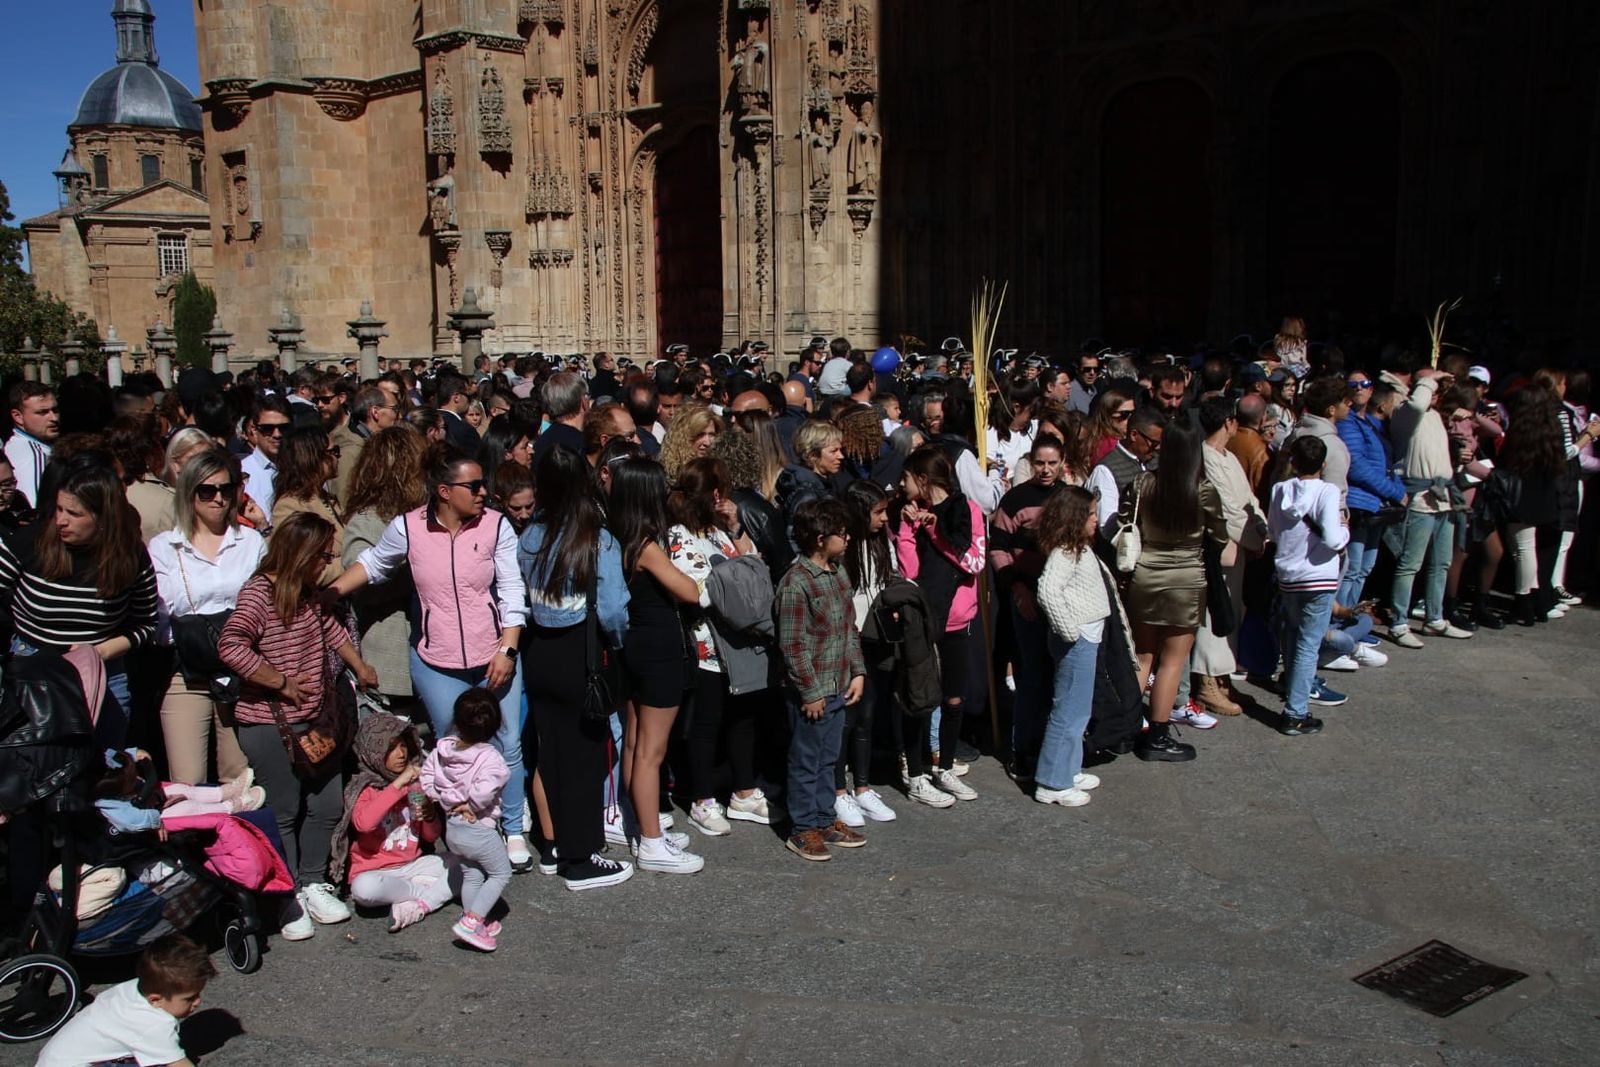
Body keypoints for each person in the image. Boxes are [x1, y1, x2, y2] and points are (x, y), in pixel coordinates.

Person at [329, 443, 532, 870]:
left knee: (507, 742)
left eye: (484, 484)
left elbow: (513, 591)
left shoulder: (496, 527)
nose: (483, 493)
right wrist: (326, 594)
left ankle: (513, 828)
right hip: (437, 662)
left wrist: (507, 648)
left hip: (493, 655)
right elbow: (373, 564)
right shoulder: (408, 528)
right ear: (444, 490)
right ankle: (472, 826)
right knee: (453, 749)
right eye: (473, 486)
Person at [216, 512, 379, 941]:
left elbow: (330, 629)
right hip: (270, 725)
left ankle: (312, 882)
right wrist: (279, 681)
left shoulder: (307, 594)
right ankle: (286, 894)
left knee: (326, 805)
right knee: (285, 810)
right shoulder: (258, 594)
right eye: (322, 555)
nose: (327, 563)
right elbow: (230, 645)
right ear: (301, 552)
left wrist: (358, 664)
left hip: (316, 720)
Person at [520, 445, 635, 890]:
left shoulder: (530, 534)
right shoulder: (596, 538)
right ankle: (581, 857)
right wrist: (619, 644)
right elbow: (612, 610)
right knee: (587, 755)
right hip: (581, 650)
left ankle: (553, 846)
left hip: (539, 649)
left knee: (550, 752)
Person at [0, 464, 157, 746]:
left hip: (101, 671)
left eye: (74, 514)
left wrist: (101, 651)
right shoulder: (28, 543)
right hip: (32, 669)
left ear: (102, 519)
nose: (61, 520)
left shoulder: (131, 556)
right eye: (59, 509)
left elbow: (146, 622)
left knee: (107, 761)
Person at [608, 457, 705, 873]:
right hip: (658, 650)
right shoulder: (646, 545)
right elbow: (688, 590)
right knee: (652, 750)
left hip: (632, 645)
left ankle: (638, 823)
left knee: (633, 742)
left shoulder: (615, 535)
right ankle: (651, 843)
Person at [666, 456, 768, 836]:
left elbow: (755, 566)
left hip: (739, 642)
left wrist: (736, 526)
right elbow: (696, 591)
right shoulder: (678, 535)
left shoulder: (719, 529)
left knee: (743, 719)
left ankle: (744, 791)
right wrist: (735, 587)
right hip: (707, 643)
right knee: (706, 724)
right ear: (711, 493)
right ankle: (702, 800)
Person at [149, 447, 264, 786]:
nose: (218, 499)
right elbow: (161, 615)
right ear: (189, 493)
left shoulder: (251, 543)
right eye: (207, 490)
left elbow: (263, 605)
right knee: (187, 779)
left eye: (226, 490)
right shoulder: (165, 546)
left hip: (241, 671)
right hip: (187, 671)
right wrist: (194, 638)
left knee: (240, 776)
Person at [1123, 420, 1228, 762]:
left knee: (1142, 656)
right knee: (1171, 663)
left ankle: (1124, 727)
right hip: (1187, 579)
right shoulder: (1203, 489)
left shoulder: (1142, 483)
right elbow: (1221, 534)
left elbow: (1125, 522)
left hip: (1145, 576)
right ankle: (1158, 735)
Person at [776, 496, 867, 861]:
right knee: (806, 759)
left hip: (838, 685)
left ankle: (825, 817)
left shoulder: (838, 571)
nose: (846, 539)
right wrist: (810, 692)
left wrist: (858, 670)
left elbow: (849, 628)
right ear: (819, 539)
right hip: (810, 691)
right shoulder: (797, 583)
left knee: (829, 757)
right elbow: (792, 645)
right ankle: (803, 828)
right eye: (840, 534)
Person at [894, 446, 986, 805]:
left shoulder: (968, 510)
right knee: (920, 699)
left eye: (906, 479)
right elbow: (911, 571)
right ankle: (915, 773)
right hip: (924, 621)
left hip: (958, 619)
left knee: (954, 697)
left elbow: (973, 561)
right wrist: (906, 528)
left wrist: (935, 534)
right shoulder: (913, 515)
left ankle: (944, 766)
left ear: (922, 479)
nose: (902, 487)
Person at [330, 712, 455, 934]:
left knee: (470, 863)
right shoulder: (363, 787)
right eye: (392, 748)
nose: (401, 754)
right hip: (375, 873)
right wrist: (399, 785)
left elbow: (430, 836)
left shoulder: (416, 784)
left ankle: (413, 902)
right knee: (363, 890)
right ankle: (426, 895)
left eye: (403, 746)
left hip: (414, 865)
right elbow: (364, 824)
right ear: (375, 752)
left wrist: (429, 816)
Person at [989, 434, 1066, 779]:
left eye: (1052, 463)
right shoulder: (1016, 499)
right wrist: (1016, 587)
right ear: (1030, 463)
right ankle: (1022, 749)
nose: (1046, 470)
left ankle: (1055, 748)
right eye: (1040, 463)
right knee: (1031, 675)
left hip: (1065, 598)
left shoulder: (1069, 498)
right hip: (1028, 598)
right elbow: (998, 546)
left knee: (1059, 676)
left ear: (1062, 462)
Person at [1033, 485, 1112, 806]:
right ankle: (1052, 782)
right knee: (1068, 711)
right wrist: (1070, 631)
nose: (1096, 519)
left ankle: (1069, 768)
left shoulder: (1079, 548)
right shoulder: (1065, 552)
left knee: (1079, 709)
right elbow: (1047, 591)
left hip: (1085, 637)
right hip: (1077, 640)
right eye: (1090, 514)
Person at [340, 426, 428, 713]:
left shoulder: (425, 516)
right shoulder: (366, 521)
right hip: (392, 657)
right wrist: (416, 573)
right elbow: (362, 590)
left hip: (433, 656)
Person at [1192, 397, 1269, 717]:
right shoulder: (1206, 456)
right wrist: (1253, 537)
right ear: (1227, 423)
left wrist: (1261, 530)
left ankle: (1223, 675)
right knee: (1215, 612)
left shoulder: (1229, 456)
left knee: (1233, 608)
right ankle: (1207, 679)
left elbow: (1249, 499)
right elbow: (1228, 510)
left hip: (1242, 544)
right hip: (1221, 545)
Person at [1269, 435, 1350, 735]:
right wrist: (1345, 533)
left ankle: (1293, 688)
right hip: (1319, 577)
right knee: (1307, 645)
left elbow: (1274, 531)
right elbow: (1332, 538)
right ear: (1324, 464)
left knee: (1292, 637)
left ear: (1293, 461)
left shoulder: (1279, 490)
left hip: (1288, 575)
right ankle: (1296, 712)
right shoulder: (1327, 492)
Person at [421, 688, 513, 950]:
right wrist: (471, 804)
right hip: (478, 828)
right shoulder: (490, 758)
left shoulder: (442, 750)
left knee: (472, 875)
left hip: (453, 828)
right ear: (495, 724)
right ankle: (472, 922)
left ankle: (472, 917)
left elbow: (427, 778)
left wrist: (441, 797)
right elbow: (488, 787)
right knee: (500, 873)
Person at [35, 933, 215, 1067]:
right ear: (155, 1000)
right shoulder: (153, 1026)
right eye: (189, 998)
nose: (197, 1002)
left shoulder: (134, 988)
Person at [1387, 368, 1473, 647]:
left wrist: (1458, 458)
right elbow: (1417, 403)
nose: (1436, 393)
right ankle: (1399, 623)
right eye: (1433, 388)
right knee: (1410, 564)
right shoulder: (1405, 413)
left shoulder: (1437, 417)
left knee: (1442, 562)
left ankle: (1435, 618)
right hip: (1421, 498)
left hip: (1444, 497)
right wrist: (1429, 377)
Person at [834, 480, 900, 824]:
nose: (885, 518)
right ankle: (838, 792)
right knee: (845, 718)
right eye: (878, 512)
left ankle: (862, 787)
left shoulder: (881, 544)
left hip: (877, 640)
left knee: (867, 718)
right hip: (849, 642)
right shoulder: (842, 548)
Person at [1337, 370, 1408, 612]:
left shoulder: (1371, 423)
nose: (1359, 388)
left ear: (1371, 390)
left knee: (1365, 567)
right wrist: (1394, 492)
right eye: (1353, 384)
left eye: (1364, 384)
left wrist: (1396, 488)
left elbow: (1387, 463)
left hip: (1374, 504)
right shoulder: (1347, 422)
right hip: (1359, 504)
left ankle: (1352, 618)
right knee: (1352, 568)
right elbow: (1356, 466)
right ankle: (1341, 622)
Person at [271, 426, 346, 585]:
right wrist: (355, 561)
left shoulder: (327, 499)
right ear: (312, 459)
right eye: (333, 452)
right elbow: (302, 569)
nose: (338, 457)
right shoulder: (289, 506)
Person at [776, 420, 843, 550]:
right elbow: (795, 541)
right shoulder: (806, 495)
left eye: (840, 450)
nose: (841, 456)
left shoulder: (826, 484)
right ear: (812, 455)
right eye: (833, 451)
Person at [5, 380, 59, 509]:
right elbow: (36, 512)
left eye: (55, 410)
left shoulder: (16, 445)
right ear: (18, 416)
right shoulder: (35, 457)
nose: (54, 418)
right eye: (42, 412)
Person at [240, 396, 291, 521]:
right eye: (268, 428)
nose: (277, 434)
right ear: (254, 430)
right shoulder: (240, 472)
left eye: (283, 428)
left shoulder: (305, 467)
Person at [661, 402, 724, 483]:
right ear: (683, 436)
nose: (707, 442)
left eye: (712, 435)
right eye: (700, 434)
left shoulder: (718, 473)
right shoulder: (664, 476)